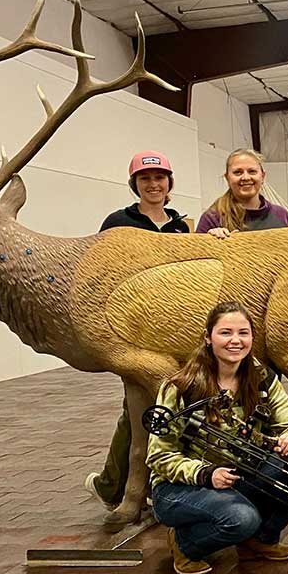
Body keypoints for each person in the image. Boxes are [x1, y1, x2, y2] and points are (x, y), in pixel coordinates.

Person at [147, 301, 288, 574]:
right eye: (225, 333)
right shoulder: (180, 388)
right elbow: (158, 457)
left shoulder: (262, 379)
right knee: (241, 519)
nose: (235, 341)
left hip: (239, 475)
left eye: (243, 333)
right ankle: (185, 544)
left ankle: (259, 540)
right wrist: (204, 474)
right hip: (180, 488)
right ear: (207, 338)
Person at [86, 151, 192, 516]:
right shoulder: (117, 223)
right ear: (135, 184)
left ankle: (123, 484)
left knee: (157, 407)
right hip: (137, 331)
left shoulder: (182, 227)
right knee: (137, 410)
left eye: (160, 178)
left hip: (177, 328)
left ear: (169, 183)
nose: (153, 184)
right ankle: (118, 485)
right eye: (145, 178)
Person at [198, 149, 288, 238]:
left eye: (252, 171)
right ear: (227, 178)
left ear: (263, 176)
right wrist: (210, 240)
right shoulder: (212, 218)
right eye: (237, 172)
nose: (246, 177)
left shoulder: (282, 215)